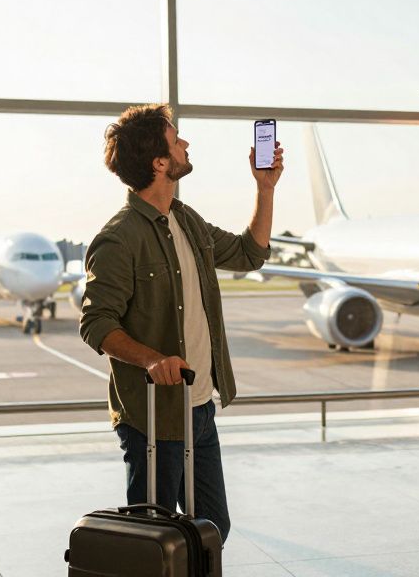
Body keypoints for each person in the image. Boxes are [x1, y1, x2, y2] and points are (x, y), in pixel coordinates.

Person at [79, 104, 282, 543]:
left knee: (212, 529)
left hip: (199, 407)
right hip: (155, 417)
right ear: (159, 162)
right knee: (153, 538)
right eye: (176, 140)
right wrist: (152, 360)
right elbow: (96, 323)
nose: (185, 144)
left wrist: (265, 189)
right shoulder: (118, 238)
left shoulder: (186, 220)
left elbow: (249, 254)